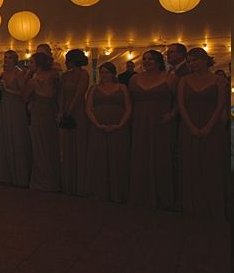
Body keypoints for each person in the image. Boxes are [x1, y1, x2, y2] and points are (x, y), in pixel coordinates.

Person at [177, 48, 228, 221]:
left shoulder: (219, 80)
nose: (191, 64)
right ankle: (191, 205)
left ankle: (212, 205)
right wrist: (190, 125)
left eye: (195, 60)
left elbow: (220, 105)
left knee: (211, 165)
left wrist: (209, 126)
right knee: (190, 164)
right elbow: (181, 105)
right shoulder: (184, 80)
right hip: (189, 124)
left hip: (212, 126)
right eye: (189, 61)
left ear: (205, 60)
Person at [128, 50, 178, 209]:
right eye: (144, 58)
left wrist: (172, 114)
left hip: (161, 121)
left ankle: (162, 196)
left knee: (161, 155)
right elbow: (129, 101)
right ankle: (140, 193)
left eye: (150, 59)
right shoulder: (134, 79)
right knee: (140, 154)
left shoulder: (170, 78)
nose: (147, 61)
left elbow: (179, 100)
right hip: (140, 121)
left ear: (158, 61)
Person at [85, 62, 132, 203]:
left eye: (107, 72)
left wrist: (120, 124)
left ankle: (118, 191)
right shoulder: (94, 88)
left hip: (118, 126)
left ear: (113, 73)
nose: (104, 75)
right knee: (99, 157)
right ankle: (100, 189)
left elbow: (128, 107)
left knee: (118, 157)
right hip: (98, 126)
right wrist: (97, 124)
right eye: (102, 72)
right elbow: (88, 108)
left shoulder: (122, 87)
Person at [25, 52, 60, 191]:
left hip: (39, 113)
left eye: (31, 62)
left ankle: (42, 180)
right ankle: (53, 178)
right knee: (51, 144)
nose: (29, 65)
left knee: (39, 145)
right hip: (51, 112)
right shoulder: (54, 76)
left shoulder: (33, 81)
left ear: (38, 64)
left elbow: (24, 96)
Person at [58, 49, 90, 196]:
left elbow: (79, 94)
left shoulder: (84, 74)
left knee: (79, 143)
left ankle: (81, 183)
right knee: (67, 145)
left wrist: (69, 111)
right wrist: (61, 111)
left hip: (78, 112)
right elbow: (61, 95)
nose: (66, 62)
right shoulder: (65, 76)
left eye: (68, 59)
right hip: (66, 110)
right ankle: (68, 181)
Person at [0, 50, 31, 187]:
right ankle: (6, 173)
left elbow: (24, 93)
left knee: (16, 137)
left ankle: (19, 174)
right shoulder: (3, 73)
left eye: (9, 58)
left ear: (15, 60)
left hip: (16, 107)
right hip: (5, 106)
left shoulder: (19, 73)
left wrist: (7, 89)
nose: (6, 60)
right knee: (5, 136)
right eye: (5, 57)